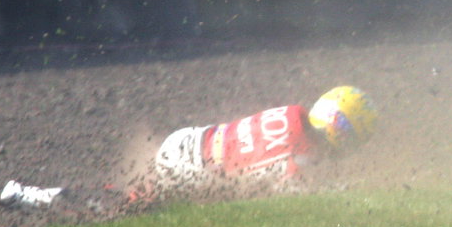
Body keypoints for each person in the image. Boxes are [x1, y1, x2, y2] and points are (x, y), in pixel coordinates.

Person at [148, 85, 377, 194]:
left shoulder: (291, 112)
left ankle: (139, 190)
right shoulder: (304, 153)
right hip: (188, 171)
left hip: (185, 138)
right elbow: (293, 194)